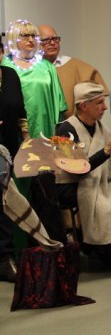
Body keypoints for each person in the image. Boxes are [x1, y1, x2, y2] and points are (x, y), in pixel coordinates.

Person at [1, 20, 67, 250]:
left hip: (44, 137)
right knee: (18, 193)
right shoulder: (6, 67)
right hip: (15, 138)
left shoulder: (47, 67)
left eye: (33, 36)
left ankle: (48, 249)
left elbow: (59, 107)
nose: (31, 40)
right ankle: (19, 250)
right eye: (25, 36)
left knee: (45, 194)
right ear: (13, 39)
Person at [55, 82, 111, 265]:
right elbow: (74, 169)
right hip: (73, 185)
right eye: (99, 103)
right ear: (83, 106)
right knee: (108, 210)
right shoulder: (64, 131)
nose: (104, 107)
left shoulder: (103, 131)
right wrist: (106, 151)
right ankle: (102, 251)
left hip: (103, 183)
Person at [0, 56, 30, 282]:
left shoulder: (10, 75)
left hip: (8, 147)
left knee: (6, 200)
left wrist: (27, 140)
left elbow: (21, 112)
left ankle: (6, 257)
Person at [39, 24, 109, 119]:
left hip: (71, 124)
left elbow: (99, 96)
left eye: (55, 39)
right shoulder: (30, 69)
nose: (52, 43)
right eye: (46, 40)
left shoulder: (75, 66)